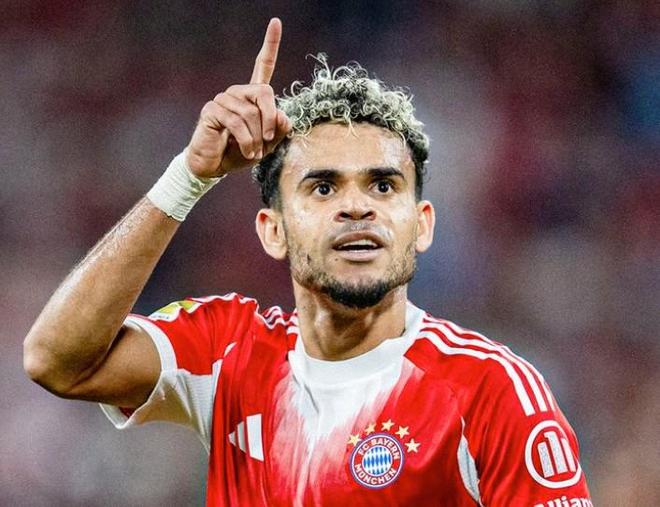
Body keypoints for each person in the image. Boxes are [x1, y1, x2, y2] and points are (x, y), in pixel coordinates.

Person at [23, 18, 592, 507]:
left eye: (383, 185)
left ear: (422, 224)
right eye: (323, 187)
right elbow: (57, 361)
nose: (357, 207)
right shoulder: (230, 352)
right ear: (273, 231)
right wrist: (187, 178)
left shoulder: (490, 390)